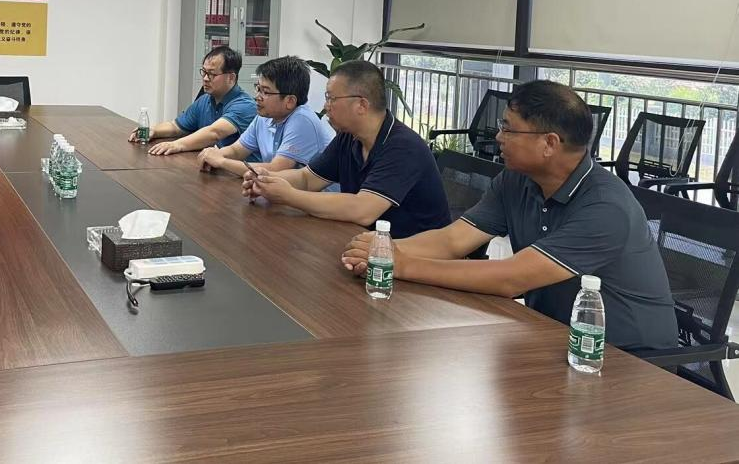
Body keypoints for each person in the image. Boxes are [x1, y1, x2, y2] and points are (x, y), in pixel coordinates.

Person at [341, 80, 678, 350]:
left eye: (509, 129)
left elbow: (510, 278)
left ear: (549, 143)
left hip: (627, 358)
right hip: (551, 336)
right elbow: (453, 240)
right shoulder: (517, 180)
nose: (498, 137)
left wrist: (402, 265)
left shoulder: (606, 206)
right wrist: (381, 248)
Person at [242, 60, 449, 234]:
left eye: (331, 98)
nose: (326, 107)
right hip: (364, 244)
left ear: (362, 105)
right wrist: (266, 179)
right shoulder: (349, 137)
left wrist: (288, 196)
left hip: (413, 256)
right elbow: (307, 178)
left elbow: (363, 210)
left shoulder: (403, 147)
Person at [198, 55, 334, 179]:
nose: (257, 97)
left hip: (318, 196)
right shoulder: (264, 116)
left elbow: (277, 170)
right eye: (258, 89)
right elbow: (237, 150)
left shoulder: (302, 120)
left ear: (290, 101)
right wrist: (214, 154)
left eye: (266, 92)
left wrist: (222, 162)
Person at [129, 46, 257, 156]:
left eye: (212, 74)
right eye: (204, 72)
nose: (205, 78)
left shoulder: (245, 105)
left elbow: (214, 133)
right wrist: (153, 130)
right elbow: (176, 126)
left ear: (231, 77)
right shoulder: (205, 100)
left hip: (240, 173)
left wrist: (176, 145)